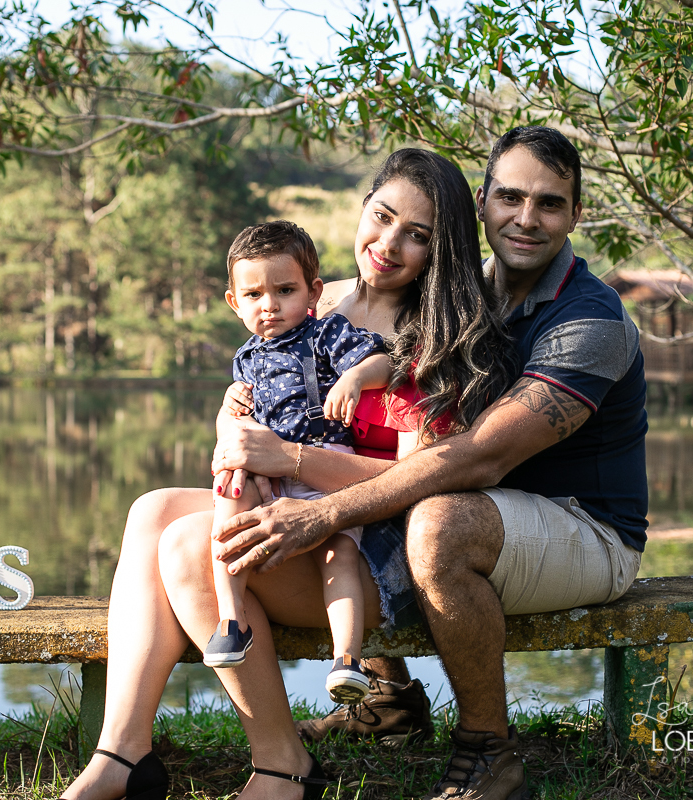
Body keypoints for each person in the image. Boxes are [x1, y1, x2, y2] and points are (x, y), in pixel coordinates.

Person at [58, 148, 515, 800]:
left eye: (417, 235)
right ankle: (122, 752)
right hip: (307, 509)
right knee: (152, 509)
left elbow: (418, 481)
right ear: (362, 209)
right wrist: (233, 428)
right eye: (382, 217)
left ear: (442, 250)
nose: (388, 244)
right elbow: (262, 405)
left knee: (193, 546)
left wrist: (290, 459)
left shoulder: (431, 340)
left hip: (379, 548)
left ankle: (282, 767)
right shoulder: (316, 304)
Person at [215, 126, 648, 800]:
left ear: (575, 215)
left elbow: (479, 456)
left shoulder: (589, 321)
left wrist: (323, 509)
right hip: (492, 514)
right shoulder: (459, 297)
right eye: (510, 197)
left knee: (438, 518)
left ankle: (487, 750)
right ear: (481, 204)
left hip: (585, 527)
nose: (526, 218)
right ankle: (388, 697)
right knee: (400, 495)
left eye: (550, 204)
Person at [203, 220, 393, 709]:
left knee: (340, 554)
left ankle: (347, 660)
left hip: (326, 467)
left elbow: (385, 362)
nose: (269, 305)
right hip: (267, 475)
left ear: (313, 292)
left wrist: (354, 379)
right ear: (234, 302)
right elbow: (240, 419)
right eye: (254, 295)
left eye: (284, 291)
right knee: (230, 504)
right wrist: (229, 419)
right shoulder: (245, 358)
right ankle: (231, 620)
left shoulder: (324, 332)